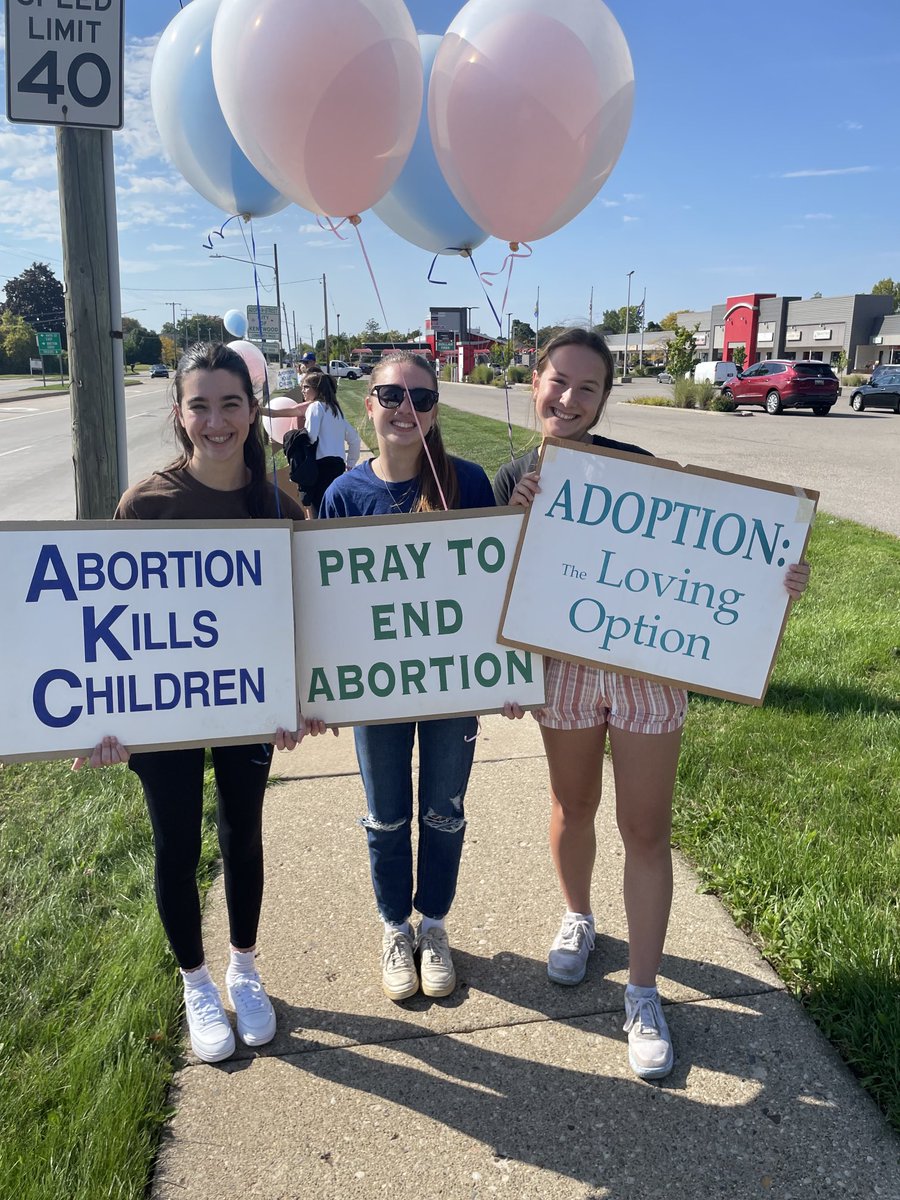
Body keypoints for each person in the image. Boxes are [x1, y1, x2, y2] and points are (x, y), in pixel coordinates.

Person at [494, 328, 810, 1081]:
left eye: (588, 388)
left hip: (645, 671)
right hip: (565, 669)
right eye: (558, 382)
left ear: (605, 398)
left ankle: (642, 991)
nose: (568, 399)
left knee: (645, 828)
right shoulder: (508, 475)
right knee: (572, 805)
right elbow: (481, 581)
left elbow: (710, 563)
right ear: (535, 381)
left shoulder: (639, 473)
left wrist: (777, 580)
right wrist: (513, 516)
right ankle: (578, 918)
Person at [74, 342, 320, 1065]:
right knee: (175, 846)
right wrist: (103, 718)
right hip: (163, 713)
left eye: (231, 404)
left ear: (253, 410)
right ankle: (195, 982)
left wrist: (301, 695)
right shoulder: (145, 503)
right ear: (180, 414)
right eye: (200, 405)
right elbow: (106, 620)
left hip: (246, 706)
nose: (216, 420)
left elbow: (309, 614)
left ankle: (244, 968)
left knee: (242, 833)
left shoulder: (279, 502)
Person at [320, 352, 496, 1002]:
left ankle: (435, 924)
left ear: (435, 411)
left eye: (420, 399)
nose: (404, 409)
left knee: (444, 813)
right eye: (390, 395)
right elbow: (328, 603)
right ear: (367, 403)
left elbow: (497, 588)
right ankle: (396, 926)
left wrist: (504, 673)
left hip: (454, 685)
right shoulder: (343, 496)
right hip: (377, 691)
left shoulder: (468, 483)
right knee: (386, 817)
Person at [284, 371, 361, 517]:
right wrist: (350, 463)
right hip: (337, 464)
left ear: (317, 389)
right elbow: (354, 440)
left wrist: (295, 438)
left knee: (318, 508)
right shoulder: (336, 410)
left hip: (320, 465)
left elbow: (311, 436)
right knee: (333, 505)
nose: (303, 390)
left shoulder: (315, 407)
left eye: (306, 387)